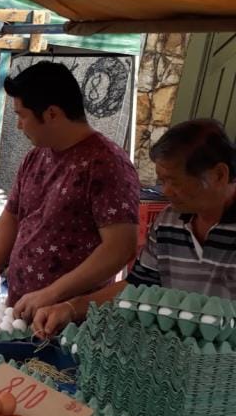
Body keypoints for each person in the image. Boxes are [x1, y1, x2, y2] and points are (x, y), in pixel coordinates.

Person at [0, 61, 140, 321]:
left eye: (22, 115)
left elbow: (119, 248)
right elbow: (12, 215)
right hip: (19, 310)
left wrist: (52, 293)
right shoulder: (35, 157)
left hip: (67, 320)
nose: (19, 125)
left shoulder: (106, 164)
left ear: (51, 114)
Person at [32, 119, 236, 338]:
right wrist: (71, 308)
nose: (165, 191)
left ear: (219, 175)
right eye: (162, 181)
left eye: (174, 182)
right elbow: (138, 287)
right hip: (174, 350)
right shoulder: (168, 222)